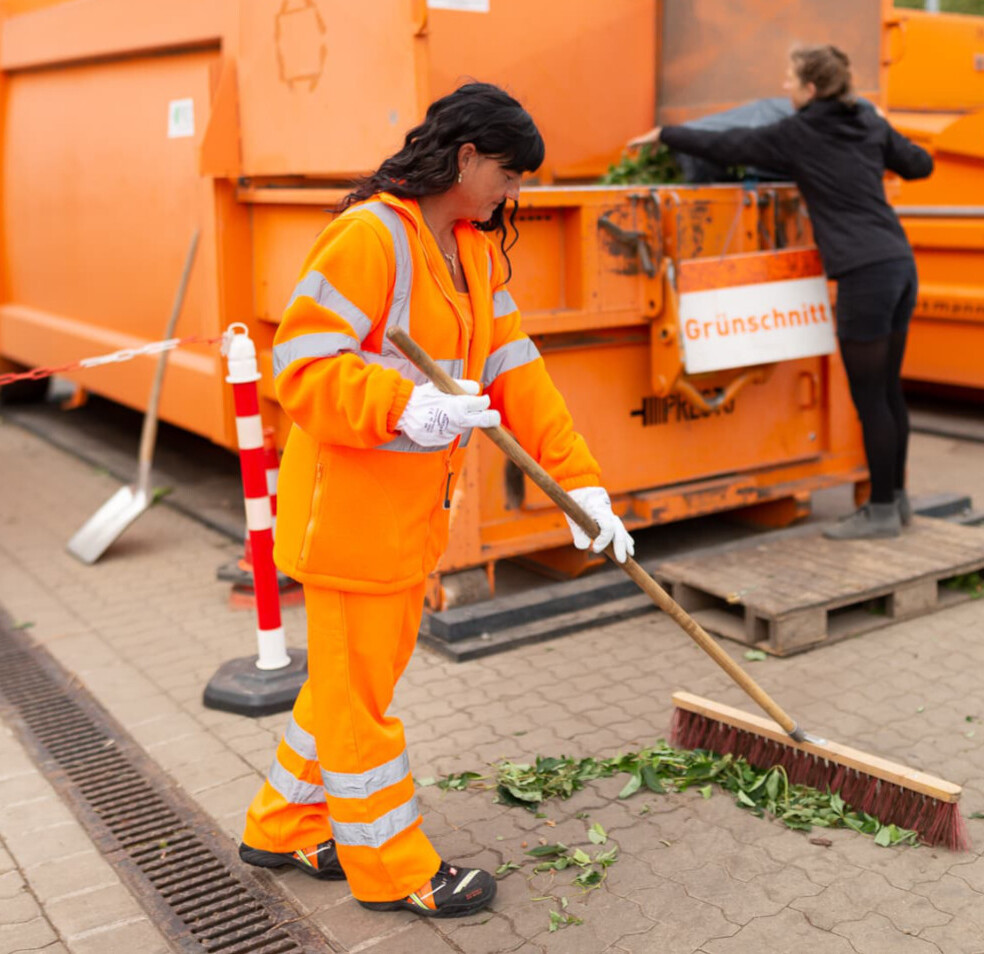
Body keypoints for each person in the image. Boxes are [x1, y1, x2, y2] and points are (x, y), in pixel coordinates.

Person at [237, 82, 634, 919]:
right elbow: (300, 367)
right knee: (360, 707)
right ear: (465, 158)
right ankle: (392, 869)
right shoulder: (370, 237)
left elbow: (517, 371)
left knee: (348, 689)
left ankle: (280, 825)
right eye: (509, 173)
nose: (515, 192)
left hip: (404, 519)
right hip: (346, 519)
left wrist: (582, 484)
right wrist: (404, 403)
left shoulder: (475, 251)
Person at [630, 45, 933, 539]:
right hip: (899, 266)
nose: (785, 90)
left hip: (864, 275)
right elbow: (920, 165)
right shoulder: (870, 124)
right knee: (889, 392)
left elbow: (731, 146)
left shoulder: (799, 133)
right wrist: (884, 128)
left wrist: (666, 134)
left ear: (811, 89)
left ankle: (879, 511)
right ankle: (895, 503)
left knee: (871, 397)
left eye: (790, 81)